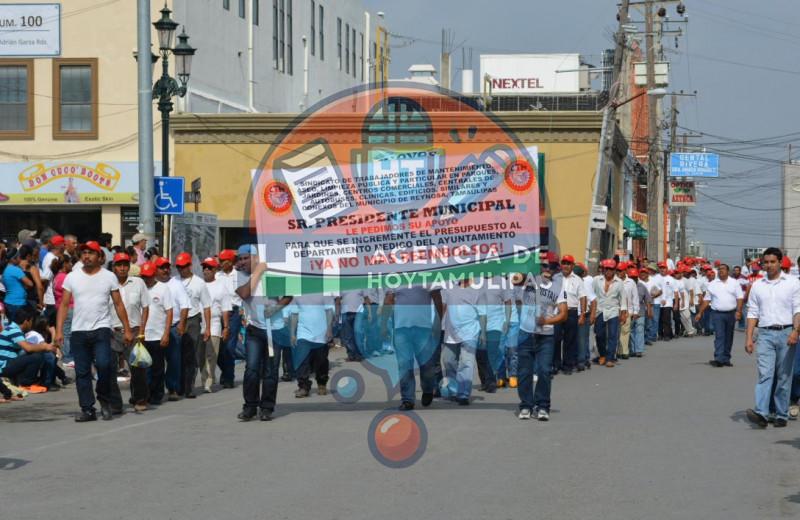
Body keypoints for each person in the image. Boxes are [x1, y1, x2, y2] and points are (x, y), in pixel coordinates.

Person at [55, 241, 133, 422]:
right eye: (84, 253)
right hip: (78, 331)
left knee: (105, 365)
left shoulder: (109, 277)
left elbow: (118, 304)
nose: (86, 256)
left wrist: (127, 329)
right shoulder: (72, 277)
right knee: (82, 372)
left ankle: (104, 400)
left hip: (101, 329)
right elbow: (64, 305)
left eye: (91, 253)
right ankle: (87, 409)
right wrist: (59, 331)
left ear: (100, 257)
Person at [744, 247, 800, 428]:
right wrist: (749, 338)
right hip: (766, 334)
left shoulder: (792, 283)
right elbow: (752, 313)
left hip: (786, 333)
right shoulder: (758, 286)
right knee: (764, 374)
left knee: (784, 376)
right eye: (765, 262)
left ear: (780, 262)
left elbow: (798, 309)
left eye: (772, 262)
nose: (768, 265)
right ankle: (761, 412)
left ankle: (781, 414)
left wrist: (795, 331)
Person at [236, 244, 289, 421]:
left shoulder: (272, 275)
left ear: (256, 257)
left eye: (246, 258)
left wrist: (276, 308)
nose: (242, 262)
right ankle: (250, 406)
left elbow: (288, 295)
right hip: (254, 330)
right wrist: (257, 273)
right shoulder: (240, 275)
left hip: (274, 330)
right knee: (251, 369)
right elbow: (244, 293)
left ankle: (266, 407)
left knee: (270, 371)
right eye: (240, 258)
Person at [517, 264, 568, 421]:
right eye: (544, 266)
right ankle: (526, 405)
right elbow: (516, 278)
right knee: (524, 372)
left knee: (544, 371)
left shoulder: (558, 287)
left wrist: (546, 320)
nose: (547, 269)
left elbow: (563, 314)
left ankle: (543, 406)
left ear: (555, 270)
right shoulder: (529, 281)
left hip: (546, 335)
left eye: (551, 267)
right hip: (526, 333)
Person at [383, 284, 442, 410]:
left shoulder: (427, 274)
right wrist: (383, 325)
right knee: (404, 365)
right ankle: (408, 399)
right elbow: (388, 300)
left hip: (424, 329)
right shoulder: (395, 276)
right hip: (401, 329)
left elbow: (437, 298)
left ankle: (427, 389)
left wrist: (439, 321)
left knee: (427, 365)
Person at [107, 252, 150, 414]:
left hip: (134, 330)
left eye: (125, 265)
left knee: (137, 368)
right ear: (114, 267)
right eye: (119, 265)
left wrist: (142, 330)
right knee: (109, 368)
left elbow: (145, 307)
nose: (123, 268)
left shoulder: (138, 283)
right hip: (113, 331)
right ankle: (115, 403)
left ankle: (139, 398)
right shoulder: (107, 283)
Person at [440, 277, 487, 405]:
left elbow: (482, 313)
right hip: (451, 333)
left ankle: (463, 394)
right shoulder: (449, 287)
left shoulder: (478, 290)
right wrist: (439, 324)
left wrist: (483, 333)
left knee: (466, 362)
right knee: (448, 361)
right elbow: (443, 306)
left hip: (470, 332)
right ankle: (454, 390)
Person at [174, 252, 211, 399]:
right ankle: (178, 385)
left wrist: (207, 328)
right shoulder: (174, 281)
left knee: (191, 356)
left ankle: (189, 387)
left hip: (193, 320)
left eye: (184, 266)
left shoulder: (199, 283)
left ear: (189, 266)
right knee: (177, 355)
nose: (181, 269)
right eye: (178, 267)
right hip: (177, 321)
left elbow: (207, 306)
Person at [137, 261, 173, 408]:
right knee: (142, 369)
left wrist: (166, 333)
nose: (147, 279)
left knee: (157, 368)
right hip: (142, 335)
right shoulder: (139, 288)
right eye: (144, 276)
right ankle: (143, 395)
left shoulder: (163, 289)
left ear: (155, 275)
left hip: (157, 335)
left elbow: (169, 312)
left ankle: (157, 394)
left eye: (149, 276)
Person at [155, 256, 190, 401]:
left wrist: (182, 324)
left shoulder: (176, 283)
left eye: (167, 267)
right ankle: (155, 389)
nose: (166, 270)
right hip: (155, 329)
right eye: (162, 267)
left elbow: (184, 305)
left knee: (174, 360)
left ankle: (173, 388)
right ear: (156, 269)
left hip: (173, 328)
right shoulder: (151, 283)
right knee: (156, 361)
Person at [695, 263, 743, 368]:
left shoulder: (734, 283)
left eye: (723, 269)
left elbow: (739, 297)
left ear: (728, 271)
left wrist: (738, 311)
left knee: (729, 336)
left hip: (731, 313)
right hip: (717, 314)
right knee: (719, 336)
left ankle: (726, 358)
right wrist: (700, 312)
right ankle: (719, 359)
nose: (721, 271)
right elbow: (707, 300)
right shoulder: (713, 284)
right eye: (719, 269)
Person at [0, 308, 58, 393]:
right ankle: (26, 383)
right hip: (4, 366)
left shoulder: (14, 329)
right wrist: (45, 346)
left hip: (9, 362)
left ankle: (45, 382)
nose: (32, 324)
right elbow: (28, 348)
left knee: (43, 354)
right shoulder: (13, 330)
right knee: (36, 357)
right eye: (31, 321)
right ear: (26, 321)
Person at [289, 293, 334, 398]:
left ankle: (322, 383)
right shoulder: (297, 293)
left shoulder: (324, 291)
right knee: (302, 360)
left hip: (321, 333)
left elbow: (329, 311)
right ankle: (303, 386)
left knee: (321, 361)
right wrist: (292, 333)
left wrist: (329, 329)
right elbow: (294, 314)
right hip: (303, 333)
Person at [199, 257, 231, 393]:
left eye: (209, 267)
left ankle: (208, 381)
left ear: (215, 270)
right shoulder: (199, 284)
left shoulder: (221, 286)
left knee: (211, 354)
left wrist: (226, 327)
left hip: (214, 323)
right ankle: (203, 378)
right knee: (200, 355)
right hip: (198, 323)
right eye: (204, 267)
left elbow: (225, 308)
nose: (206, 270)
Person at [477, 275, 512, 391]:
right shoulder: (477, 280)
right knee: (481, 354)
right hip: (478, 323)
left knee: (491, 352)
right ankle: (485, 381)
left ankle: (491, 381)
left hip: (495, 323)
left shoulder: (501, 281)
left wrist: (507, 320)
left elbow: (507, 301)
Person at [592, 259, 628, 367]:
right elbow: (592, 295)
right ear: (603, 269)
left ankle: (610, 358)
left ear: (614, 270)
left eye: (611, 269)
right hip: (600, 310)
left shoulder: (619, 282)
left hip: (613, 310)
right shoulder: (597, 280)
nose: (608, 271)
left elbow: (623, 298)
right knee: (599, 334)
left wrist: (623, 313)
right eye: (606, 269)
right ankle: (602, 354)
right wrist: (592, 312)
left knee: (612, 335)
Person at [215, 248, 242, 388]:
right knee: (218, 348)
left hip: (233, 313)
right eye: (219, 260)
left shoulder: (239, 276)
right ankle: (226, 371)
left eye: (223, 261)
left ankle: (229, 378)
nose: (220, 263)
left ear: (231, 262)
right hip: (217, 314)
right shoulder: (217, 276)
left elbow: (244, 296)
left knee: (230, 347)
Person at [557, 255, 587, 374]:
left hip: (572, 311)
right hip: (557, 312)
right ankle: (556, 364)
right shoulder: (556, 277)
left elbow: (583, 297)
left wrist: (582, 314)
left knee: (570, 340)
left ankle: (568, 365)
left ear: (572, 266)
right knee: (556, 338)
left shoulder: (578, 280)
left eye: (568, 263)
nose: (565, 265)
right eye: (564, 263)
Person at [2, 246, 34, 321]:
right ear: (13, 259)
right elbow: (30, 284)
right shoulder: (16, 270)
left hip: (8, 301)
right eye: (18, 257)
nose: (20, 258)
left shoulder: (6, 270)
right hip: (18, 303)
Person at [629, 268, 652, 357]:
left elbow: (647, 300)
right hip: (629, 312)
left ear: (637, 277)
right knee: (630, 331)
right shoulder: (626, 285)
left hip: (640, 312)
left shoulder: (642, 286)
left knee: (639, 330)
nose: (633, 279)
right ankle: (632, 349)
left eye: (634, 277)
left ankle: (639, 350)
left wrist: (649, 310)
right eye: (631, 277)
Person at [617, 263, 638, 359]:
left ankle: (624, 351)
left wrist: (635, 311)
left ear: (625, 271)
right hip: (615, 310)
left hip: (628, 310)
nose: (618, 273)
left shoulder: (631, 282)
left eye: (620, 271)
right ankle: (617, 351)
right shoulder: (614, 281)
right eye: (617, 270)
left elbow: (635, 297)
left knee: (625, 331)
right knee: (615, 332)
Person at [656, 262, 678, 341]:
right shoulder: (656, 278)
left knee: (666, 319)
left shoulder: (671, 279)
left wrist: (676, 303)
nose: (662, 269)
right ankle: (660, 334)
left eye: (664, 268)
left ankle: (667, 335)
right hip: (658, 301)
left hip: (668, 302)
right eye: (661, 268)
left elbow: (675, 292)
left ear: (667, 269)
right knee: (659, 319)